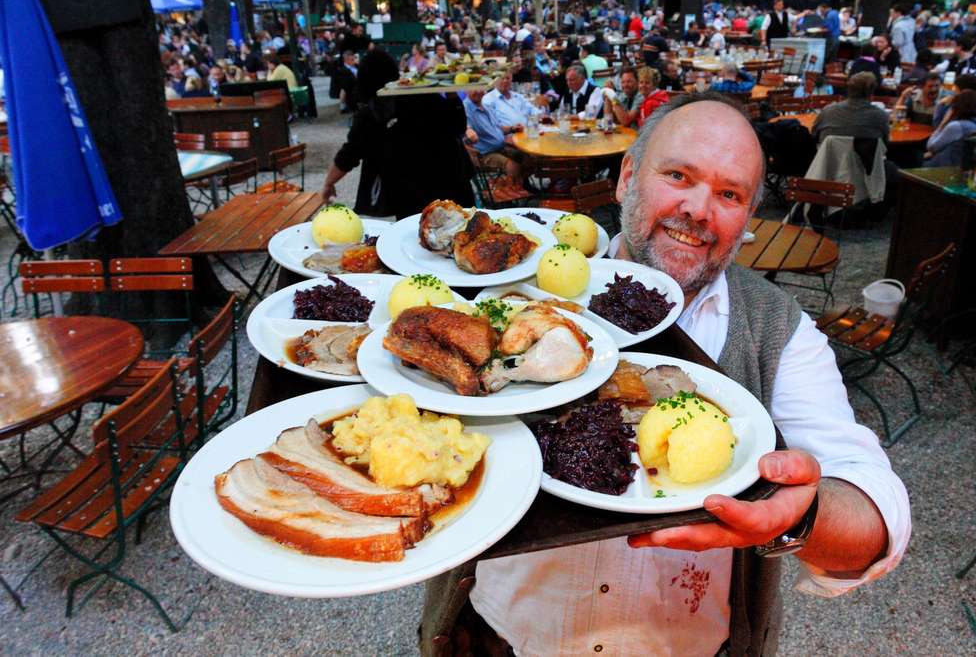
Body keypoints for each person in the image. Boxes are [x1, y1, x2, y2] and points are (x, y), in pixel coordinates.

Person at [420, 91, 910, 655]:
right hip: (494, 635)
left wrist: (801, 517)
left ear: (749, 218)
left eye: (730, 194)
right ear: (628, 176)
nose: (700, 209)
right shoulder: (513, 294)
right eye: (678, 175)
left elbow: (876, 509)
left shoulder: (780, 332)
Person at [321, 50, 475, 217]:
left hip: (412, 199)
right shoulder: (425, 96)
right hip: (453, 187)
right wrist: (451, 93)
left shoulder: (371, 113)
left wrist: (328, 183)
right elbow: (458, 127)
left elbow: (349, 154)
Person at [463, 87, 523, 182]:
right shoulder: (465, 109)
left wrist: (512, 128)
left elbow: (498, 128)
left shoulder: (486, 106)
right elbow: (466, 128)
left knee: (525, 156)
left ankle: (523, 185)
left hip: (500, 148)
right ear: (466, 90)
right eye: (474, 88)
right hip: (484, 154)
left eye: (481, 88)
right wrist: (469, 131)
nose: (478, 91)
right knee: (512, 164)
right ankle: (515, 190)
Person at [811, 72, 890, 143]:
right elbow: (885, 142)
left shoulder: (828, 111)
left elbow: (814, 134)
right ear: (871, 94)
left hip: (830, 158)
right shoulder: (880, 116)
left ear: (849, 90)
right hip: (865, 159)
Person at [923, 89, 976, 167]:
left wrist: (943, 122)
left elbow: (931, 146)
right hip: (966, 166)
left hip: (946, 167)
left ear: (957, 106)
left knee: (913, 157)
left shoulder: (956, 126)